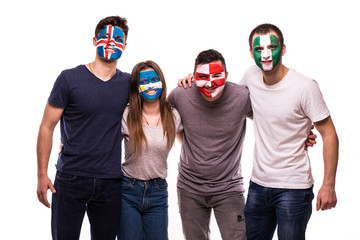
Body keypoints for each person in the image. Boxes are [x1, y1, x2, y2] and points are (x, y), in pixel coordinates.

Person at [241, 23, 339, 240]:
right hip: (258, 184)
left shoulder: (305, 86)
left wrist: (329, 184)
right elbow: (238, 107)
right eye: (259, 49)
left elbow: (329, 134)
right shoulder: (250, 76)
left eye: (272, 47)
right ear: (251, 53)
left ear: (283, 49)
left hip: (293, 188)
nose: (266, 54)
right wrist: (192, 81)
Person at [36, 16, 130, 240]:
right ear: (94, 40)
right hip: (70, 179)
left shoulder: (129, 83)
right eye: (105, 37)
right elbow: (46, 127)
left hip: (110, 181)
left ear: (125, 46)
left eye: (118, 39)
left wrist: (189, 80)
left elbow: (157, 96)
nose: (111, 42)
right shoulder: (69, 79)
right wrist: (41, 174)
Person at [169, 49, 252, 240]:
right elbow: (160, 120)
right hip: (190, 187)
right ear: (194, 76)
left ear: (227, 75)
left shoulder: (242, 97)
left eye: (216, 75)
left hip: (229, 188)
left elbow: (270, 120)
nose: (210, 82)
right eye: (202, 76)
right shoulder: (181, 94)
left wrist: (302, 133)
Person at [117, 60, 182, 240]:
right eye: (144, 82)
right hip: (127, 190)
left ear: (161, 81)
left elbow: (191, 147)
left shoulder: (174, 115)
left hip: (158, 191)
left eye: (154, 79)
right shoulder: (127, 114)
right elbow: (105, 144)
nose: (150, 85)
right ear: (136, 87)